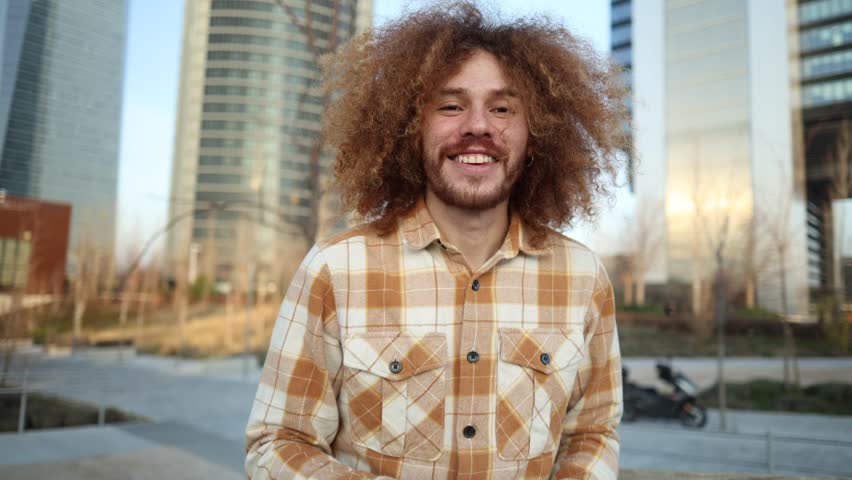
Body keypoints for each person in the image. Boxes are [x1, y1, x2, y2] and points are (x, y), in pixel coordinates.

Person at [245, 2, 630, 479]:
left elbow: (592, 432)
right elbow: (279, 440)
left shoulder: (583, 277)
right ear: (410, 130)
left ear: (536, 136)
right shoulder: (335, 269)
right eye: (451, 105)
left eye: (503, 108)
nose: (478, 126)